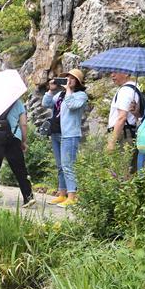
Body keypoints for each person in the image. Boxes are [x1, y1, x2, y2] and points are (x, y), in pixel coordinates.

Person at [42, 70, 88, 206]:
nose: (69, 80)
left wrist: (68, 90)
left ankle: (72, 196)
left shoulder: (81, 95)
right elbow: (46, 103)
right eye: (67, 77)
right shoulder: (61, 94)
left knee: (68, 166)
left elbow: (72, 105)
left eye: (72, 78)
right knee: (60, 166)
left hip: (70, 135)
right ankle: (62, 194)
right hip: (56, 133)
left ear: (78, 82)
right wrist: (51, 90)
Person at [0, 96, 34, 207]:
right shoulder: (17, 103)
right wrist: (23, 141)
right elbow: (24, 124)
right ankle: (28, 197)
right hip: (13, 137)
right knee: (20, 168)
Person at [106, 71, 142, 172]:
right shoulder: (136, 88)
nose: (112, 75)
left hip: (123, 134)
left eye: (115, 72)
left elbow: (121, 117)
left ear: (126, 73)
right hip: (129, 131)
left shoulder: (125, 90)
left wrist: (112, 142)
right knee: (128, 168)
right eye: (111, 72)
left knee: (120, 169)